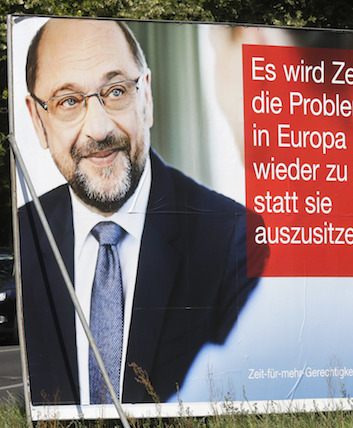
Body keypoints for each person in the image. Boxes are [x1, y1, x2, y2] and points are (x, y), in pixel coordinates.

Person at [18, 17, 268, 406]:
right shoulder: (25, 236)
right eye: (69, 101)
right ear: (38, 121)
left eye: (116, 91)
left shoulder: (234, 237)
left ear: (146, 98)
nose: (99, 129)